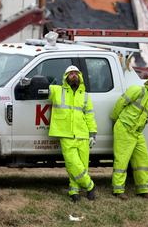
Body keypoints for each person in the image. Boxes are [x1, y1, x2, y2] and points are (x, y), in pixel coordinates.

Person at [110, 70, 148, 201]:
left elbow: (147, 117)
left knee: (143, 159)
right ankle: (118, 190)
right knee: (122, 159)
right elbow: (120, 103)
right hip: (124, 127)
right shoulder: (137, 90)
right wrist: (114, 120)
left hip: (137, 133)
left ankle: (143, 190)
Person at [48, 65, 97, 202]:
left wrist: (92, 133)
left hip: (83, 134)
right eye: (71, 74)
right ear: (66, 77)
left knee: (82, 165)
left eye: (76, 73)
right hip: (66, 135)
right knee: (73, 164)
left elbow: (90, 116)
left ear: (80, 77)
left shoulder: (85, 96)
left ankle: (74, 192)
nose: (74, 75)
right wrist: (29, 81)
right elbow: (44, 88)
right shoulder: (57, 91)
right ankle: (90, 185)